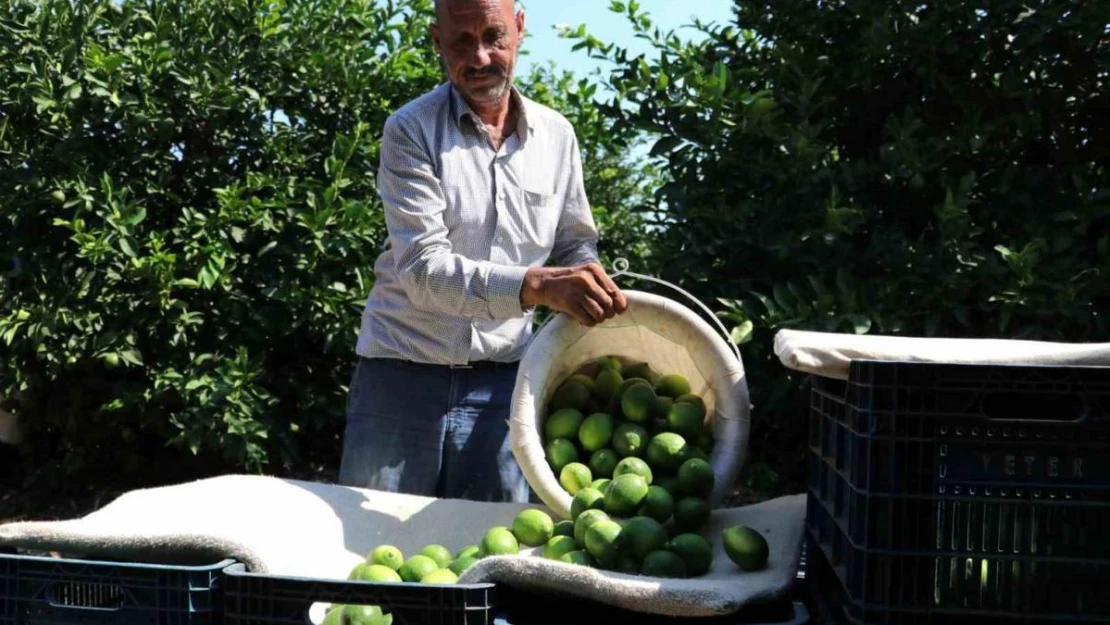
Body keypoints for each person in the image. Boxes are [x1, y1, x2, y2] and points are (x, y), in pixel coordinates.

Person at [338, 0, 628, 503]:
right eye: (460, 42)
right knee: (371, 554)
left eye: (493, 36)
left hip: (504, 385)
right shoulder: (410, 130)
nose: (479, 57)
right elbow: (423, 269)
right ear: (436, 41)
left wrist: (588, 278)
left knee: (493, 553)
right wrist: (536, 285)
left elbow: (574, 240)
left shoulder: (556, 137)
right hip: (400, 380)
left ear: (519, 28)